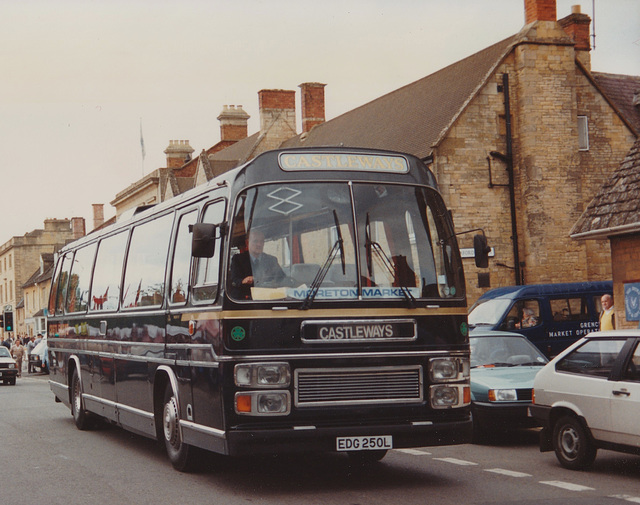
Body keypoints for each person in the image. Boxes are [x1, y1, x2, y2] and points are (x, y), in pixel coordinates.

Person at [229, 229, 285, 299]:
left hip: (269, 299)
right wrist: (243, 281)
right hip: (245, 302)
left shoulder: (272, 260)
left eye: (261, 241)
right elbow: (234, 280)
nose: (259, 244)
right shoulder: (238, 259)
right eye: (255, 241)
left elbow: (282, 279)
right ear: (247, 243)